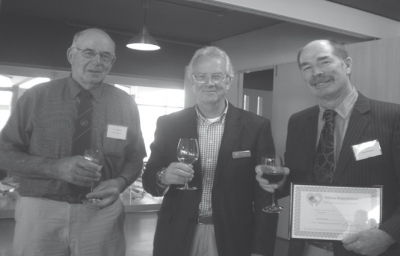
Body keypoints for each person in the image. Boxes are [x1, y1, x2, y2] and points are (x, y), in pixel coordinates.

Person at [0, 28, 146, 256]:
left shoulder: (124, 103)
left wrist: (120, 182)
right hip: (40, 211)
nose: (97, 62)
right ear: (71, 55)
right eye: (88, 53)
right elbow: (5, 153)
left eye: (105, 56)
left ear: (112, 61)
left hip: (102, 214)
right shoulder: (35, 97)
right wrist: (55, 167)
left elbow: (136, 156)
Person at [256, 39, 400, 256]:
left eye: (324, 62)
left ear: (347, 65)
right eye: (307, 67)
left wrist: (389, 234)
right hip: (306, 247)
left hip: (369, 249)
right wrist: (279, 182)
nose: (316, 72)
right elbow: (299, 179)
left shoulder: (392, 118)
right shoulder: (298, 122)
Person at [142, 46, 278, 256]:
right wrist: (163, 176)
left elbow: (265, 194)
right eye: (201, 76)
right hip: (176, 234)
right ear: (192, 81)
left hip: (234, 236)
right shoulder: (169, 124)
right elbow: (149, 180)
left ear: (229, 80)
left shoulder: (256, 127)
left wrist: (261, 248)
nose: (209, 83)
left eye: (217, 76)